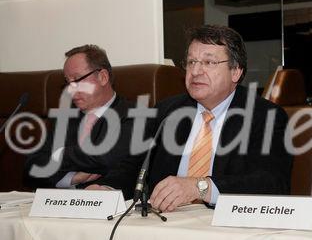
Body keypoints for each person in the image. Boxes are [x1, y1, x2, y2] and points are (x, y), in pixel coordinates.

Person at [91, 25, 293, 210]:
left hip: (224, 226)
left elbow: (272, 182)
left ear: (236, 72)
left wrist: (201, 187)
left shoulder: (265, 116)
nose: (196, 71)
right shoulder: (166, 111)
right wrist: (107, 189)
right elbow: (134, 165)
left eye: (209, 62)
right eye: (191, 62)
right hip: (166, 223)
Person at [24, 45, 135, 189]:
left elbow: (105, 156)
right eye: (67, 82)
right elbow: (31, 169)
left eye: (77, 80)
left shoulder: (133, 114)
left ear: (103, 77)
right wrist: (71, 178)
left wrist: (58, 155)